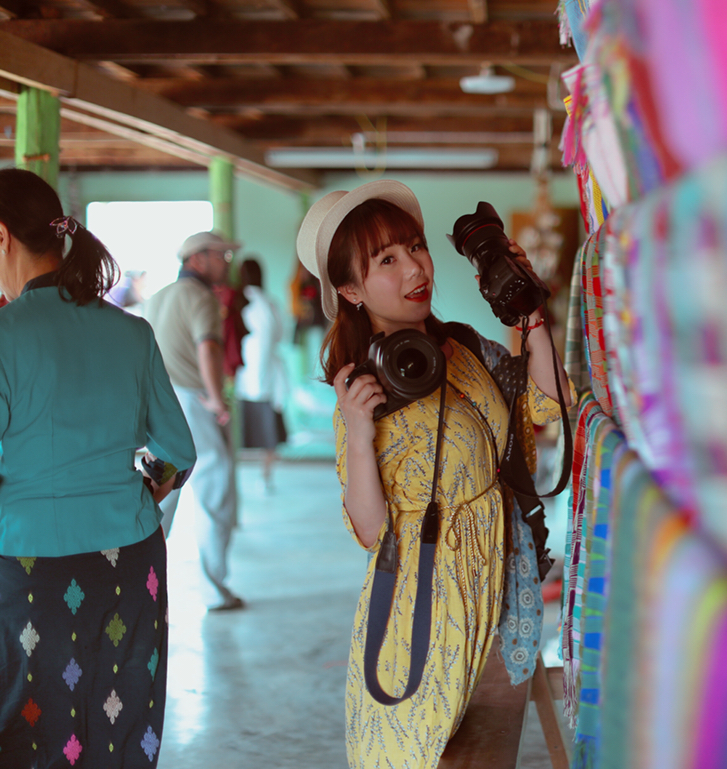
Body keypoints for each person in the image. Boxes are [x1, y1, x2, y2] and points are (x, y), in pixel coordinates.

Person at [296, 180, 573, 767]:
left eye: (416, 247)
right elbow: (370, 530)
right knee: (417, 754)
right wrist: (358, 431)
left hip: (502, 591)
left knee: (486, 754)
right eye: (386, 260)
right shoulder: (363, 392)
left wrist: (532, 315)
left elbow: (549, 404)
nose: (415, 268)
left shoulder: (466, 348)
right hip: (426, 608)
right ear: (349, 290)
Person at [0, 168, 197, 767]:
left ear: (1, 236)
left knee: (27, 728)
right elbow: (178, 452)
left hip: (24, 565)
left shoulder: (5, 333)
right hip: (129, 561)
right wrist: (136, 493)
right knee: (121, 721)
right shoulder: (131, 332)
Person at [143, 229, 245, 611]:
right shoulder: (201, 297)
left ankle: (141, 583)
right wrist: (217, 400)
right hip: (191, 401)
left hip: (158, 403)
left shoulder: (158, 297)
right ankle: (214, 589)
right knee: (214, 492)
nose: (227, 263)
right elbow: (209, 348)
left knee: (160, 493)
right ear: (197, 258)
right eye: (222, 255)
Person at [234, 257, 288, 492]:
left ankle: (236, 482)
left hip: (242, 375)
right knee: (269, 433)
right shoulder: (270, 303)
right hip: (268, 378)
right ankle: (265, 478)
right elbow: (281, 335)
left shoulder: (235, 303)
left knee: (238, 430)